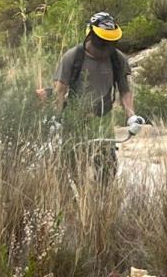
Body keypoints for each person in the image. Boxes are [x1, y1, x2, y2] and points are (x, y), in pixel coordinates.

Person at [48, 12, 144, 180]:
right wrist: (57, 119)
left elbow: (124, 90)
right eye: (102, 41)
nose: (106, 46)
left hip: (103, 119)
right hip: (73, 120)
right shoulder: (73, 57)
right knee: (69, 170)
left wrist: (131, 117)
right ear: (90, 35)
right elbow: (60, 91)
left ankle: (102, 201)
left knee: (107, 170)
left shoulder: (117, 58)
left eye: (110, 42)